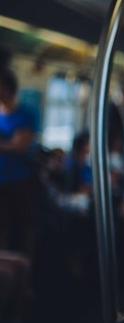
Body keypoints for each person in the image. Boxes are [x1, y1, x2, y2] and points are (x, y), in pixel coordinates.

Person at [0, 68, 39, 257]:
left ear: (7, 88)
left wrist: (9, 145)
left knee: (18, 232)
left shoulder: (26, 114)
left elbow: (20, 146)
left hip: (19, 182)